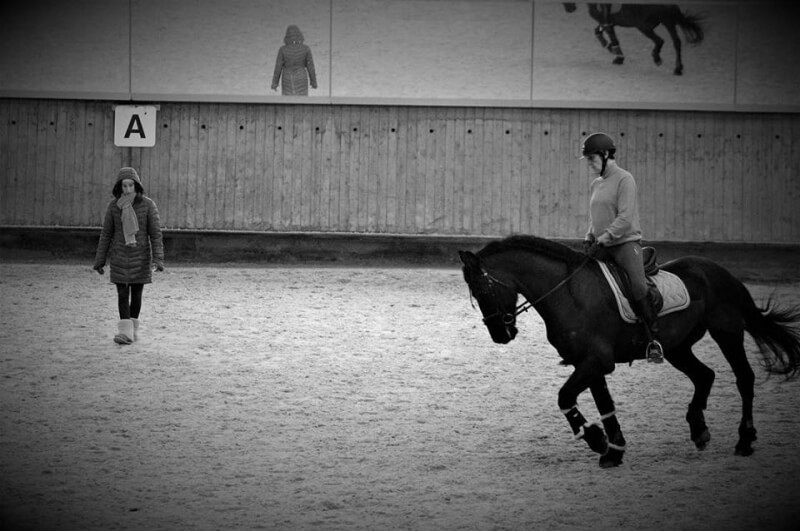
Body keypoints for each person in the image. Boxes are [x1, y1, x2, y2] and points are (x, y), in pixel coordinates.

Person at [580, 132, 664, 363]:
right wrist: (589, 236)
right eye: (587, 159)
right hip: (601, 244)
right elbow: (595, 217)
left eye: (592, 158)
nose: (589, 163)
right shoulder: (596, 184)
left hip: (624, 244)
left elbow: (625, 218)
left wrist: (605, 238)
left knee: (638, 287)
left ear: (606, 154)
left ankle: (653, 339)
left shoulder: (625, 179)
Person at [93, 167, 164, 345]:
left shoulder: (148, 205)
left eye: (130, 185)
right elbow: (106, 234)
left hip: (141, 257)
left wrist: (158, 259)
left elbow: (155, 234)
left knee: (137, 294)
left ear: (136, 185)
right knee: (122, 294)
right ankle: (125, 333)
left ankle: (132, 330)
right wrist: (100, 260)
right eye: (124, 186)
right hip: (119, 256)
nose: (127, 189)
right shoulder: (113, 206)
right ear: (119, 187)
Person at [271, 25, 317, 96]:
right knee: (302, 99)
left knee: (287, 100)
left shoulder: (283, 49)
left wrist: (275, 83)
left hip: (287, 78)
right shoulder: (306, 49)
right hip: (301, 77)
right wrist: (314, 82)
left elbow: (278, 68)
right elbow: (311, 67)